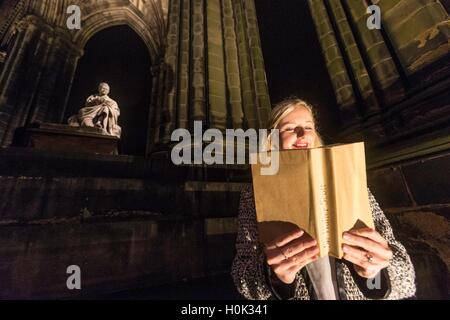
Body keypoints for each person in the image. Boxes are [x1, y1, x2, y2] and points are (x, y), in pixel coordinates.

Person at [231, 98, 416, 300]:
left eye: (308, 127)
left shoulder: (349, 181)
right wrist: (276, 278)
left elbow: (405, 276)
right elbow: (243, 275)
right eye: (290, 128)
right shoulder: (254, 194)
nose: (302, 134)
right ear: (272, 139)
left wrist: (375, 273)